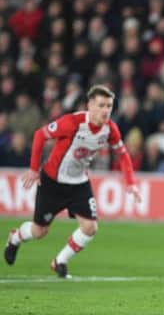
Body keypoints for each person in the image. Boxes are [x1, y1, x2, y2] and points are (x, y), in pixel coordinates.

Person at [4, 85, 141, 278]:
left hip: (78, 184)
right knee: (39, 231)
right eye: (101, 105)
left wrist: (131, 183)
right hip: (53, 182)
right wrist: (34, 169)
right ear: (90, 106)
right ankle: (15, 238)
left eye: (109, 106)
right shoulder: (72, 122)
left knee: (90, 227)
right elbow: (40, 135)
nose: (106, 110)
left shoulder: (110, 129)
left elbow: (123, 154)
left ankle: (59, 261)